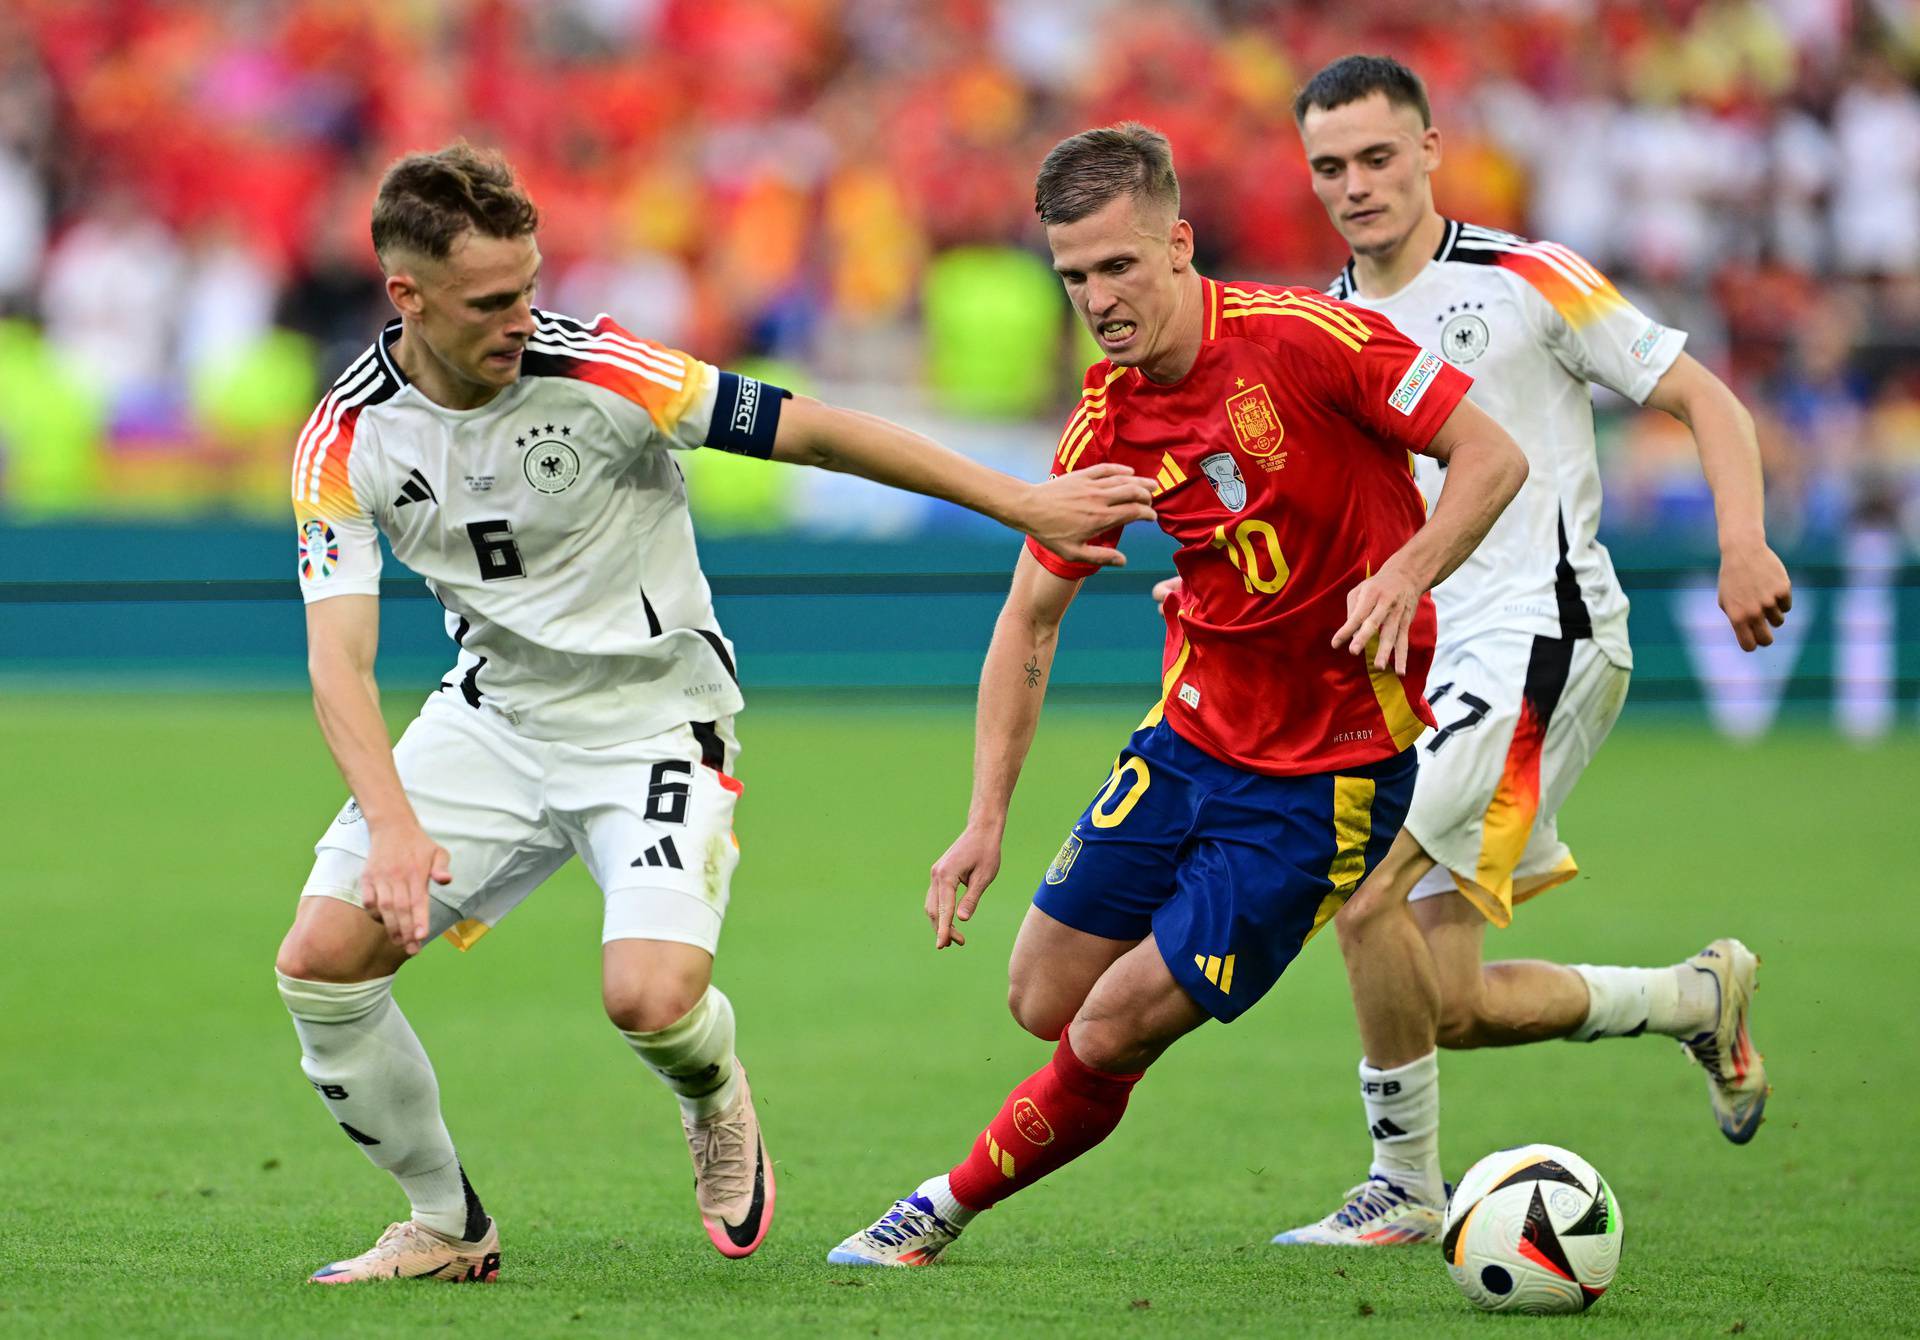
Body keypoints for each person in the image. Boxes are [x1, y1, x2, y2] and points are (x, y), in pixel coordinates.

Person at [272, 143, 1156, 1285]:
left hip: (656, 720)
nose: (522, 316)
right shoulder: (344, 436)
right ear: (408, 297)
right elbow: (338, 659)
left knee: (647, 996)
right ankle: (446, 1222)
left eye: (530, 285)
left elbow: (822, 430)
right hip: (492, 719)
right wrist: (393, 824)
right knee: (321, 962)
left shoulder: (606, 370)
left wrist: (1021, 499)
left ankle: (713, 1089)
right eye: (493, 301)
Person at [828, 123, 1529, 1267]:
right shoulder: (1107, 420)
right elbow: (1028, 620)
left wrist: (1405, 572)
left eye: (1118, 267)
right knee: (1043, 993)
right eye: (1073, 275)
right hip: (1192, 737)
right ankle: (1135, 1036)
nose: (1097, 299)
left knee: (1107, 1024)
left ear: (1179, 245)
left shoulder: (1311, 341)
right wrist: (983, 819)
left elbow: (1492, 455)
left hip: (1327, 774)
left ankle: (934, 1208)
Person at [1232, 55, 1791, 1247]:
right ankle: (1694, 996)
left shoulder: (1530, 277)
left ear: (1433, 149)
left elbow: (1710, 401)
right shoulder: (1319, 326)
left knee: (1361, 885)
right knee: (1449, 1002)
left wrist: (1741, 541)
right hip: (1427, 666)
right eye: (1329, 166)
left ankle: (1402, 1183)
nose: (1355, 184)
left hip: (1543, 634)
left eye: (1379, 156)